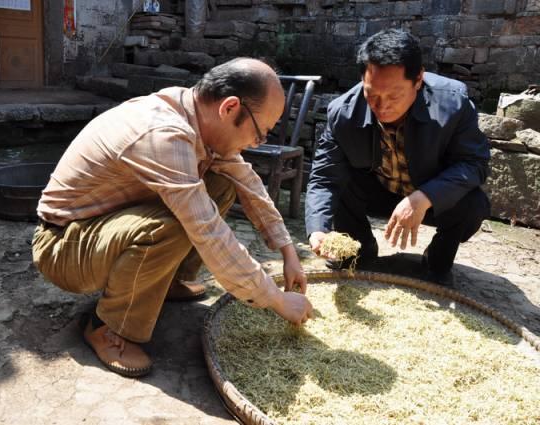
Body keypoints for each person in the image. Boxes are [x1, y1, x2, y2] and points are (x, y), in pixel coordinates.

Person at [32, 58, 314, 378]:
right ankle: (108, 328)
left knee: (222, 184)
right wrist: (276, 300)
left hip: (99, 229)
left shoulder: (196, 115)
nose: (256, 143)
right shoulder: (165, 133)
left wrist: (288, 251)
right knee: (179, 221)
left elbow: (248, 182)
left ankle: (167, 281)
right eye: (260, 132)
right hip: (63, 246)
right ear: (230, 108)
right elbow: (208, 231)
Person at [305, 29, 490, 284]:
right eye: (372, 95)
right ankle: (359, 250)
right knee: (342, 183)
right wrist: (317, 230)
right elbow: (324, 178)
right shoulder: (343, 113)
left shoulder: (453, 104)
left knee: (473, 204)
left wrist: (424, 197)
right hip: (379, 192)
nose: (382, 107)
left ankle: (437, 260)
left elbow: (474, 163)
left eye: (394, 96)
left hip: (430, 199)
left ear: (418, 80)